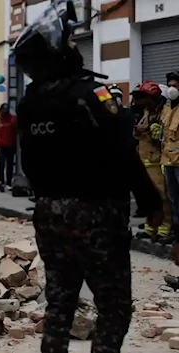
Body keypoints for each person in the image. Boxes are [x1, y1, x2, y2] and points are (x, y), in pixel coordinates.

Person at [12, 1, 163, 352]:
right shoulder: (88, 95)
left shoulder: (30, 102)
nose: (73, 48)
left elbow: (31, 164)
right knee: (113, 306)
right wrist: (151, 201)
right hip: (96, 213)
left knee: (60, 303)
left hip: (49, 213)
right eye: (67, 43)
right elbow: (122, 151)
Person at [132, 81, 173, 244]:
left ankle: (165, 227)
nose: (141, 101)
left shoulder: (166, 113)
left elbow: (167, 138)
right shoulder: (147, 112)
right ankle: (150, 227)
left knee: (163, 197)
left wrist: (153, 132)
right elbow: (138, 135)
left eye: (145, 97)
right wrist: (138, 131)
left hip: (158, 161)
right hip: (144, 160)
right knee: (148, 197)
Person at [163, 71, 179, 242]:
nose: (171, 89)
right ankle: (176, 233)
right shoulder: (170, 111)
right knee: (174, 200)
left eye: (175, 86)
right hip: (169, 162)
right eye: (169, 86)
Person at [0, 103, 17, 192]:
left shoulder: (12, 119)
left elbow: (16, 131)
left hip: (11, 145)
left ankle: (8, 182)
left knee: (10, 165)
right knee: (1, 164)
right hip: (0, 145)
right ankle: (2, 182)